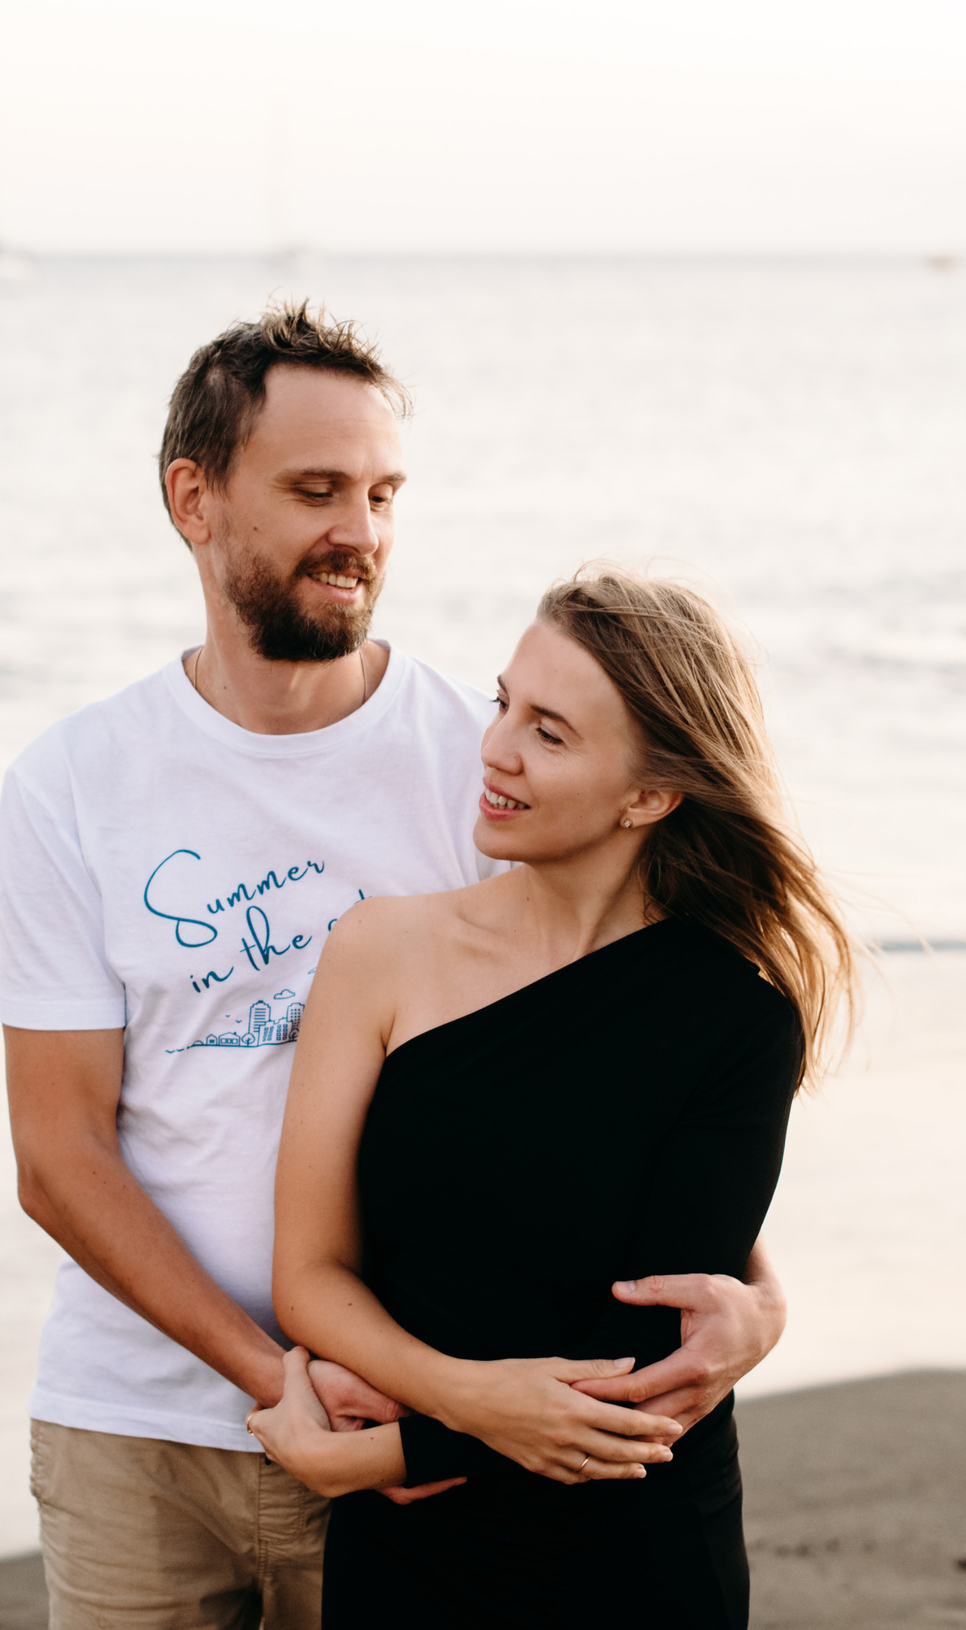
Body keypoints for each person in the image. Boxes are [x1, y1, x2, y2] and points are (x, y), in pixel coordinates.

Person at [0, 306, 793, 1630]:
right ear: (194, 498)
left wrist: (756, 1292)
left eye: (381, 492)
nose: (360, 531)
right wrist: (285, 1372)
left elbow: (607, 1061)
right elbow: (59, 1152)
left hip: (414, 1433)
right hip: (141, 1419)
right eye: (316, 489)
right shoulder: (73, 784)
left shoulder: (474, 764)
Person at [249, 566, 858, 1628]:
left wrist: (374, 1455)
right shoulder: (382, 951)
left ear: (651, 794)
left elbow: (652, 1360)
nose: (495, 749)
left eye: (550, 732)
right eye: (502, 704)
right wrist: (453, 1400)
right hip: (410, 1550)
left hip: (627, 1549)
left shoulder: (735, 1019)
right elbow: (309, 1273)